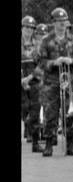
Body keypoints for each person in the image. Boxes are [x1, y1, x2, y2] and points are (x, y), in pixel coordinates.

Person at [32, 7, 73, 157]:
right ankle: (48, 144)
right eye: (59, 21)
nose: (62, 24)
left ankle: (70, 145)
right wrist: (54, 63)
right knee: (50, 113)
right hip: (51, 82)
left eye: (64, 21)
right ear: (53, 23)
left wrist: (71, 60)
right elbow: (40, 61)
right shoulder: (46, 40)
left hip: (69, 82)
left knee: (69, 113)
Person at [22, 14, 42, 151]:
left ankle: (35, 142)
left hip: (34, 81)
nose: (29, 29)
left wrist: (28, 79)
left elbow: (41, 64)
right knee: (24, 109)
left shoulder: (38, 45)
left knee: (35, 110)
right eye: (26, 27)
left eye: (31, 27)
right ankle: (28, 129)